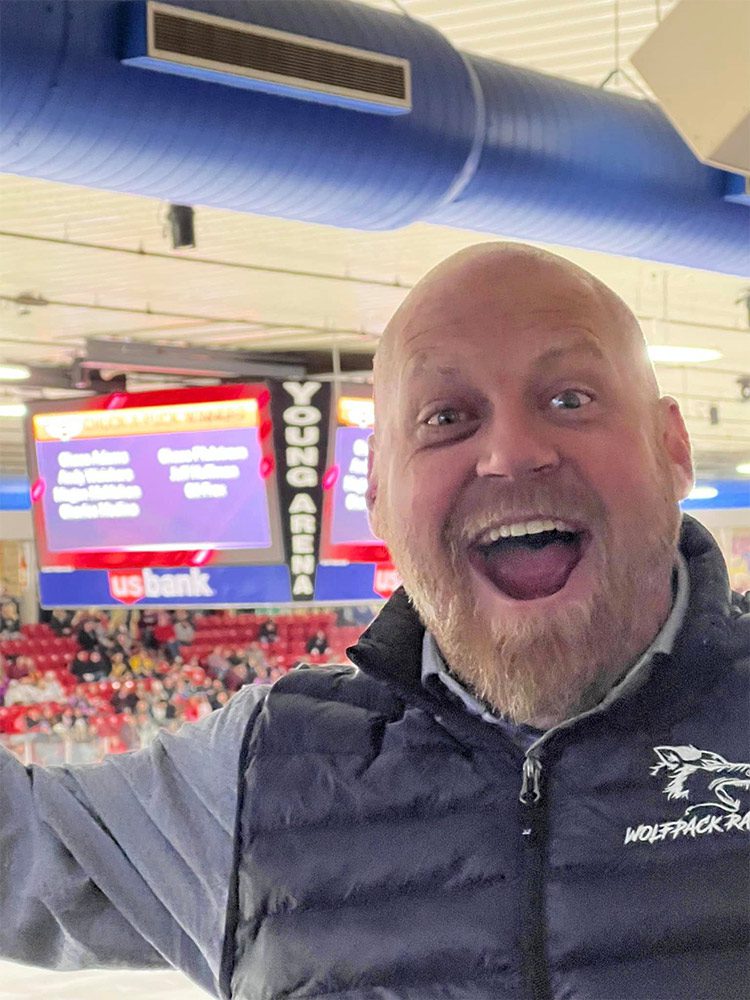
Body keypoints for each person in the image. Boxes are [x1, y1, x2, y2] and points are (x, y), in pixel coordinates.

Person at [1, 244, 748, 999]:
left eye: (570, 399)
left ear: (672, 447)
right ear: (377, 498)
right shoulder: (262, 769)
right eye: (446, 417)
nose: (512, 453)